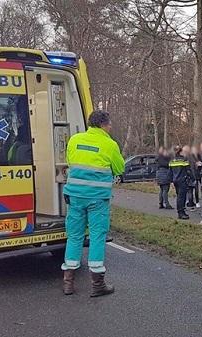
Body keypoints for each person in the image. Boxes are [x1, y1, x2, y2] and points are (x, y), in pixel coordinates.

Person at [61, 110, 125, 297]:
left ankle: (68, 283)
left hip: (74, 197)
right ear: (104, 125)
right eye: (110, 124)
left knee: (74, 236)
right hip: (97, 199)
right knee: (97, 236)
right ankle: (98, 285)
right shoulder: (109, 144)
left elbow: (70, 161)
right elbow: (120, 168)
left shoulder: (74, 140)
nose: (111, 127)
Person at [170, 145, 193, 219]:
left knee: (178, 196)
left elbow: (170, 171)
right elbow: (188, 170)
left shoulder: (172, 160)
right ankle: (181, 212)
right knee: (182, 197)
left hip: (175, 180)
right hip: (182, 180)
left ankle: (180, 211)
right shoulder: (183, 160)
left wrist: (171, 180)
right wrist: (192, 178)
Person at [185, 145, 199, 210]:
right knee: (193, 189)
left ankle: (190, 202)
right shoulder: (193, 158)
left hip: (189, 176)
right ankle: (194, 202)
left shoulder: (186, 157)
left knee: (190, 190)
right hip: (193, 175)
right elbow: (193, 168)